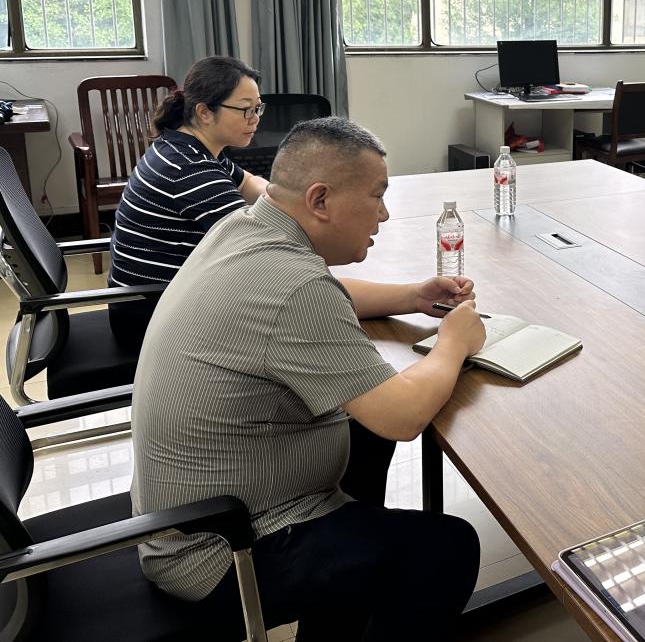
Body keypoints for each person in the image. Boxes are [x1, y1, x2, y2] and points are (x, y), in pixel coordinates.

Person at [130, 117, 487, 639]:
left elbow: (323, 291)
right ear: (320, 200)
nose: (384, 213)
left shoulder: (247, 228)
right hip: (221, 551)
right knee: (445, 549)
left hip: (190, 513)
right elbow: (404, 416)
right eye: (377, 196)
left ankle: (341, 614)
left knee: (363, 433)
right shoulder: (293, 286)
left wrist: (413, 296)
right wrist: (455, 340)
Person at [107, 56, 270, 350]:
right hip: (152, 319)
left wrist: (287, 198)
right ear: (204, 112)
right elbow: (259, 247)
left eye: (258, 108)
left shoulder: (187, 147)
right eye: (246, 109)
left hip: (162, 301)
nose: (255, 118)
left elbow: (248, 183)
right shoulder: (188, 169)